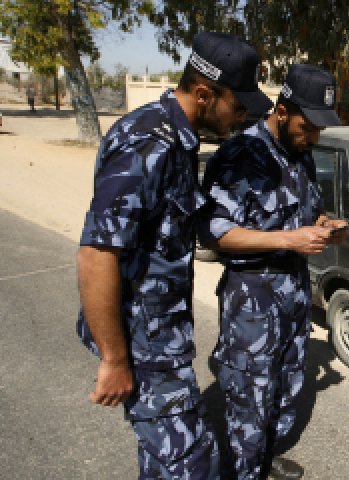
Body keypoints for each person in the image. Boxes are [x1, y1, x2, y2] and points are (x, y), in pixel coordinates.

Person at [75, 32, 272, 478]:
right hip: (143, 345)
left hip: (162, 338)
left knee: (168, 461)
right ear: (204, 94)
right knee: (190, 465)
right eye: (238, 105)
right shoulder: (149, 142)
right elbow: (97, 253)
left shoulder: (179, 139)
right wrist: (115, 360)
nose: (243, 116)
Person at [199, 64, 346, 479]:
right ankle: (242, 469)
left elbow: (309, 211)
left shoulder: (300, 153)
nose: (313, 137)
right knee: (250, 394)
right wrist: (290, 239)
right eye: (307, 127)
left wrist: (325, 226)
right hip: (252, 299)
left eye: (320, 129)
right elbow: (214, 233)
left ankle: (264, 458)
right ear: (282, 111)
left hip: (293, 291)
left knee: (286, 381)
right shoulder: (240, 155)